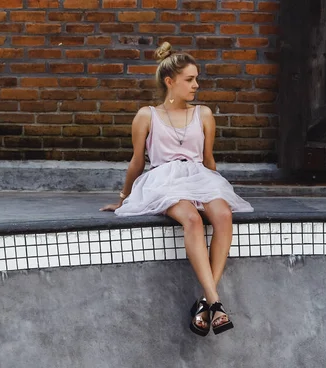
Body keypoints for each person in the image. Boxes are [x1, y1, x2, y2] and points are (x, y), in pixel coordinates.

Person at [101, 42, 254, 336]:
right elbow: (136, 161)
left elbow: (208, 159)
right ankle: (216, 302)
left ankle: (206, 302)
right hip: (163, 179)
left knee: (222, 215)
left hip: (198, 175)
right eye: (189, 79)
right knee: (193, 220)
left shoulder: (204, 114)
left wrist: (217, 188)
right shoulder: (146, 115)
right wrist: (123, 198)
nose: (196, 85)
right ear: (170, 82)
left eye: (197, 78)